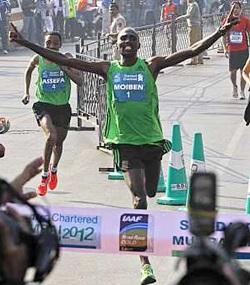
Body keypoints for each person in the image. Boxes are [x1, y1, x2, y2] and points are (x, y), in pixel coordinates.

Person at [9, 10, 238, 284]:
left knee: (151, 190)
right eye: (122, 39)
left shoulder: (151, 65)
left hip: (152, 142)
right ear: (116, 45)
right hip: (125, 145)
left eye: (131, 38)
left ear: (138, 45)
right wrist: (24, 42)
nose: (127, 41)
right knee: (139, 200)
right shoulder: (108, 70)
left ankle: (145, 227)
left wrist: (221, 32)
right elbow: (59, 58)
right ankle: (144, 263)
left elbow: (191, 50)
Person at [21, 31, 83, 196]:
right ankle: (44, 176)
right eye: (49, 43)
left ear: (60, 45)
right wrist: (26, 92)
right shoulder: (38, 58)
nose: (52, 46)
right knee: (51, 137)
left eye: (55, 43)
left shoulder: (66, 58)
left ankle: (54, 169)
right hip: (43, 105)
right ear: (44, 44)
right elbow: (28, 71)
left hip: (62, 107)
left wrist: (65, 68)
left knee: (59, 143)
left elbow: (80, 81)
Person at [222, 1, 250, 100]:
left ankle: (242, 91)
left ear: (240, 9)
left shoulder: (245, 20)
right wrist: (225, 48)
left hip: (243, 49)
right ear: (231, 10)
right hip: (232, 50)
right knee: (233, 72)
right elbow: (223, 35)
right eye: (234, 8)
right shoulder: (227, 20)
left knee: (244, 71)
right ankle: (234, 86)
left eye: (237, 8)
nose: (236, 10)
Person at [176, 0, 203, 65]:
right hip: (195, 25)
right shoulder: (193, 4)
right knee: (197, 43)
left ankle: (194, 60)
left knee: (193, 43)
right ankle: (199, 59)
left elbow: (189, 15)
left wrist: (180, 18)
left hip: (193, 26)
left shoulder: (193, 5)